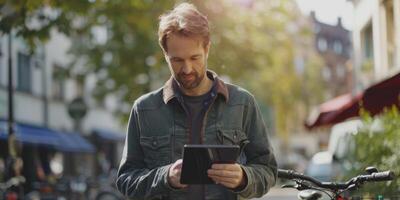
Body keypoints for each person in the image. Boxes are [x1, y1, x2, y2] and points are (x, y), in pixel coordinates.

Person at [116, 3, 277, 200]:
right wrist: (165, 177)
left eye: (194, 58)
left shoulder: (243, 103)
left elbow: (268, 170)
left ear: (207, 48)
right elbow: (125, 180)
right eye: (177, 60)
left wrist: (244, 177)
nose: (187, 69)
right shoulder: (144, 109)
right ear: (165, 55)